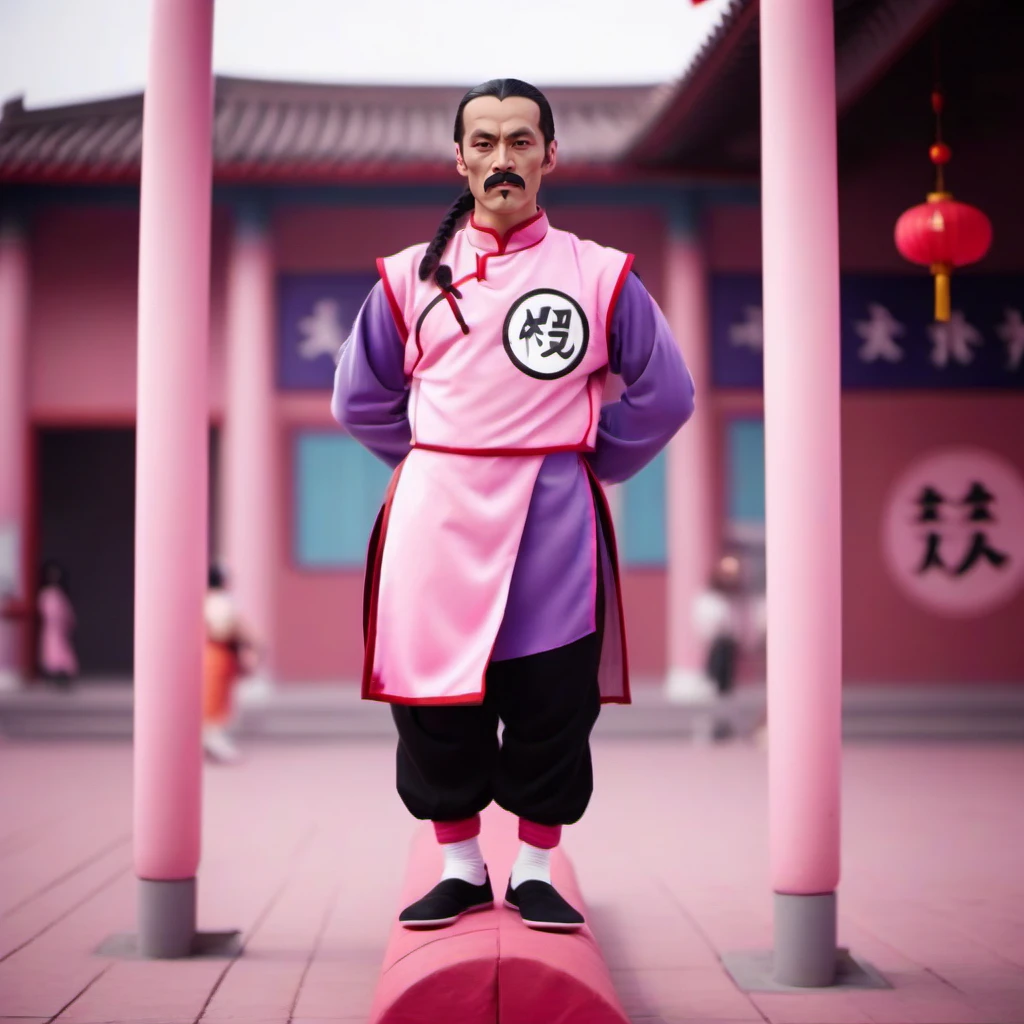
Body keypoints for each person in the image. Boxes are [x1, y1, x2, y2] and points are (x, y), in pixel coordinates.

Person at [333, 78, 695, 932]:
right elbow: (360, 399)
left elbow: (667, 391)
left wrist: (589, 461)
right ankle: (459, 863)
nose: (504, 159)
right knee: (432, 701)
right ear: (459, 158)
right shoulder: (404, 279)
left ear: (551, 156)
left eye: (522, 142)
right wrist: (432, 465)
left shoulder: (600, 275)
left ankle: (535, 865)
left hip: (553, 518)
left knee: (552, 696)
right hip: (436, 523)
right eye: (485, 142)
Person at [202, 565, 257, 763]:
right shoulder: (219, 602)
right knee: (213, 699)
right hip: (218, 652)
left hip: (219, 653)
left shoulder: (212, 601)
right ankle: (211, 739)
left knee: (218, 697)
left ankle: (214, 739)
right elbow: (226, 629)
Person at [37, 561, 78, 688]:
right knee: (50, 649)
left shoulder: (58, 593)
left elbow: (66, 611)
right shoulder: (45, 594)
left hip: (59, 627)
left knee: (61, 648)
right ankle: (54, 674)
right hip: (49, 627)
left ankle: (63, 673)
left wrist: (69, 622)